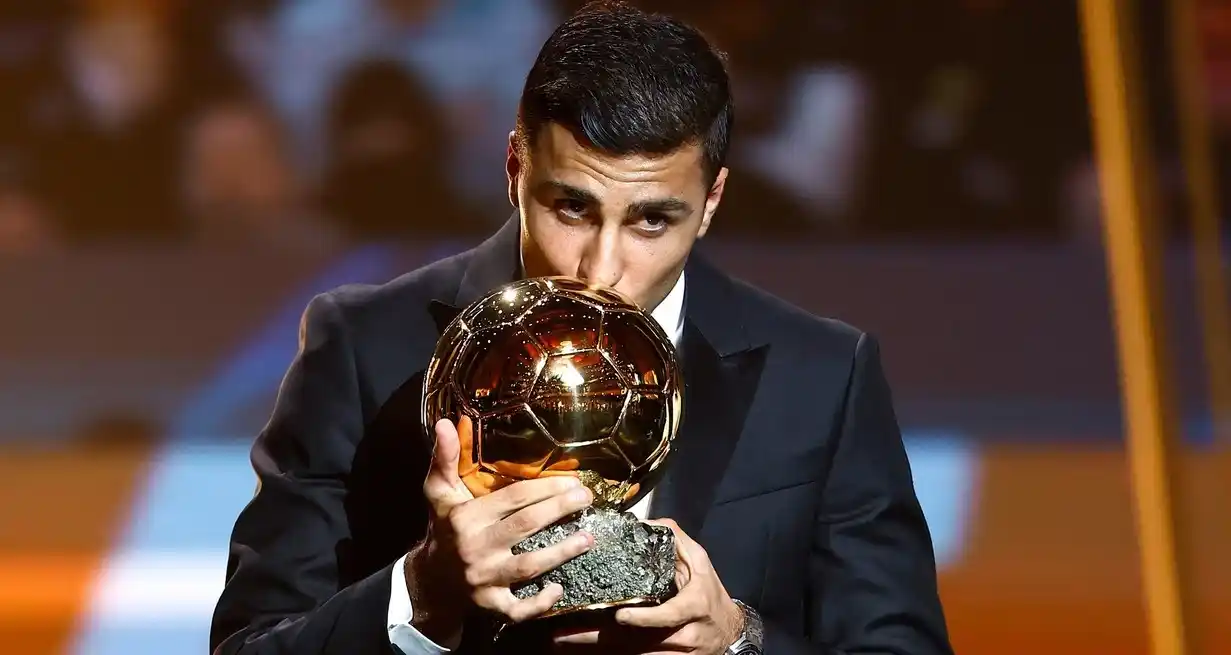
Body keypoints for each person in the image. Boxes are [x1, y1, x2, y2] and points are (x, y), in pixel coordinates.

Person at [210, 2, 953, 654]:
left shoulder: (822, 374)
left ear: (713, 199)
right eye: (571, 208)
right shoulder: (363, 347)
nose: (600, 268)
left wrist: (736, 641)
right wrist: (421, 596)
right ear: (514, 167)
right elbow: (251, 644)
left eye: (651, 220)